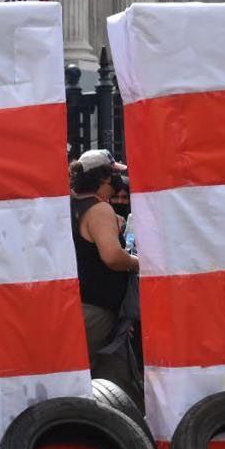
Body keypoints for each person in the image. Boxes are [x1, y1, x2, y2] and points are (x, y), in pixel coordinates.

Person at [70, 149, 139, 390]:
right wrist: (139, 262)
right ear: (103, 177)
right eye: (113, 174)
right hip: (95, 313)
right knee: (106, 383)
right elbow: (112, 257)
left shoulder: (72, 205)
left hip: (83, 307)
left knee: (115, 380)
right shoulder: (99, 210)